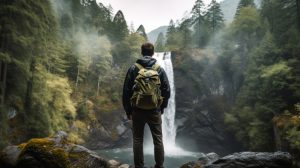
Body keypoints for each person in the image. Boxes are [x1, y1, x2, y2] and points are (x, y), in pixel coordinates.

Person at [122, 43, 170, 168]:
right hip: (155, 110)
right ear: (153, 53)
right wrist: (162, 107)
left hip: (137, 110)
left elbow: (126, 91)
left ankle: (139, 166)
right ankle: (159, 166)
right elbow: (167, 90)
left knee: (138, 140)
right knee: (158, 139)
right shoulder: (159, 69)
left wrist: (128, 110)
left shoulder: (134, 68)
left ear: (142, 52)